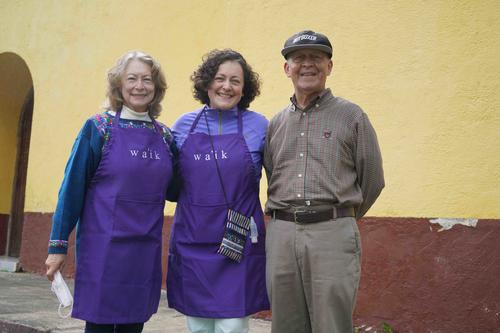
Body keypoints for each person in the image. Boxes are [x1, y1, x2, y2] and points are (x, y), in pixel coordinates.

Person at [44, 51, 177, 333]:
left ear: (157, 88)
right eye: (132, 78)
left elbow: (178, 189)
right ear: (119, 85)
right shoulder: (98, 128)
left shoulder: (165, 136)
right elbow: (71, 190)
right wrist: (57, 247)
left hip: (144, 250)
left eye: (147, 79)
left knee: (133, 326)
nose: (140, 86)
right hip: (103, 250)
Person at [263, 30, 385, 333]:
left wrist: (338, 219)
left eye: (316, 57)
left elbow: (372, 180)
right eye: (299, 58)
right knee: (286, 325)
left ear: (329, 66)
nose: (307, 64)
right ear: (286, 68)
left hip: (332, 233)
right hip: (282, 234)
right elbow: (272, 173)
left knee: (332, 324)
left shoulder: (351, 116)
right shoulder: (276, 123)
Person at [166, 49, 269, 333]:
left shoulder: (259, 126)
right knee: (198, 327)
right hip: (192, 239)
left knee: (233, 326)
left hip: (238, 243)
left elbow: (279, 177)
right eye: (220, 78)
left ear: (245, 88)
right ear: (206, 83)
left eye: (235, 81)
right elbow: (169, 185)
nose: (227, 86)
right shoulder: (182, 126)